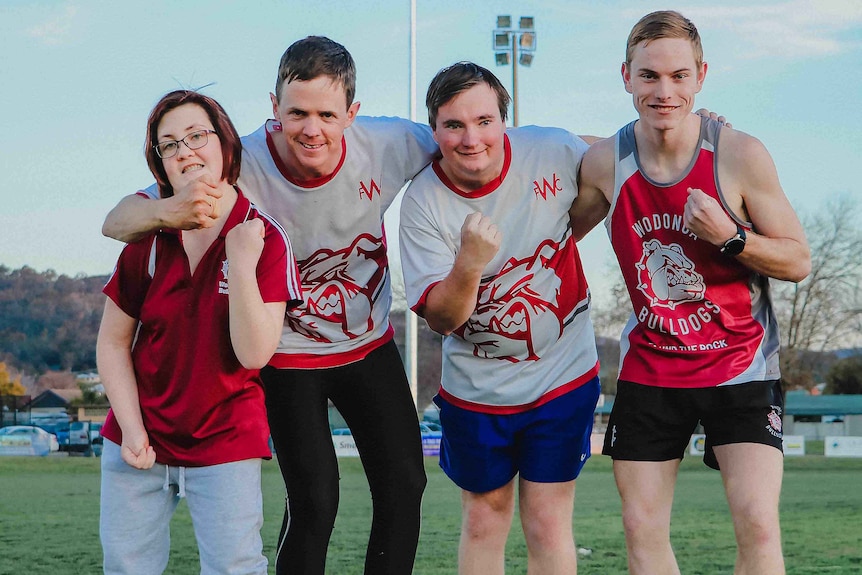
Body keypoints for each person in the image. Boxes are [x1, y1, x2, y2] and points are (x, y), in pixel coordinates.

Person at [101, 37, 438, 575]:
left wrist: (601, 153)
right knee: (316, 497)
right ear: (273, 110)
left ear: (353, 113)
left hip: (366, 343)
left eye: (327, 114)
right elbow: (117, 221)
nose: (311, 129)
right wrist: (171, 211)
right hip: (283, 351)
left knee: (405, 481)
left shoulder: (392, 142)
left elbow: (479, 147)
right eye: (296, 113)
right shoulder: (238, 162)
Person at [571, 11, 811, 575]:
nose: (664, 90)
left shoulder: (739, 155)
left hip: (741, 367)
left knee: (756, 521)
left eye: (679, 76)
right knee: (641, 530)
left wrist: (731, 237)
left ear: (701, 76)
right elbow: (556, 226)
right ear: (625, 77)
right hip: (651, 370)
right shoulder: (606, 161)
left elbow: (797, 259)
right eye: (649, 76)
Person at [399, 62, 601, 574]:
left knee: (549, 521)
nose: (471, 139)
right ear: (434, 128)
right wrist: (469, 261)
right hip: (477, 388)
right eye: (454, 125)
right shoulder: (423, 201)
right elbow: (442, 319)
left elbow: (621, 154)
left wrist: (697, 132)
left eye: (484, 121)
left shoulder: (552, 149)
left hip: (562, 374)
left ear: (504, 121)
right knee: (484, 519)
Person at [96, 89, 302, 575]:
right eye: (169, 145)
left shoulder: (265, 237)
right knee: (126, 567)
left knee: (235, 568)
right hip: (137, 435)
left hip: (225, 439)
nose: (185, 150)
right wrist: (132, 430)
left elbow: (254, 354)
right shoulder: (145, 238)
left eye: (196, 136)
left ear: (225, 145)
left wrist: (242, 260)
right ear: (160, 163)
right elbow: (112, 342)